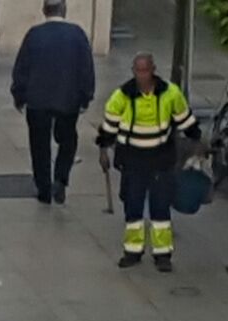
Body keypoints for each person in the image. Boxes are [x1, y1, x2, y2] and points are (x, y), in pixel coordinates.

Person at [96, 54, 197, 271]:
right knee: (133, 206)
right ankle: (133, 251)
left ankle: (163, 255)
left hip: (160, 158)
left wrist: (196, 143)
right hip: (133, 159)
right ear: (133, 71)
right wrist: (103, 149)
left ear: (153, 70)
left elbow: (185, 119)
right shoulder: (122, 95)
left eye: (145, 70)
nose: (141, 75)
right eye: (138, 71)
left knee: (160, 207)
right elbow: (109, 126)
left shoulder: (170, 93)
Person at [10, 0, 95, 205]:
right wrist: (86, 96)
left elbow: (22, 67)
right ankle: (61, 178)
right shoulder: (77, 34)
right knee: (68, 139)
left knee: (39, 145)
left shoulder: (34, 35)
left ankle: (44, 189)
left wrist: (19, 95)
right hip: (68, 99)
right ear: (64, 10)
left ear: (44, 11)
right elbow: (86, 68)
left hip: (38, 100)